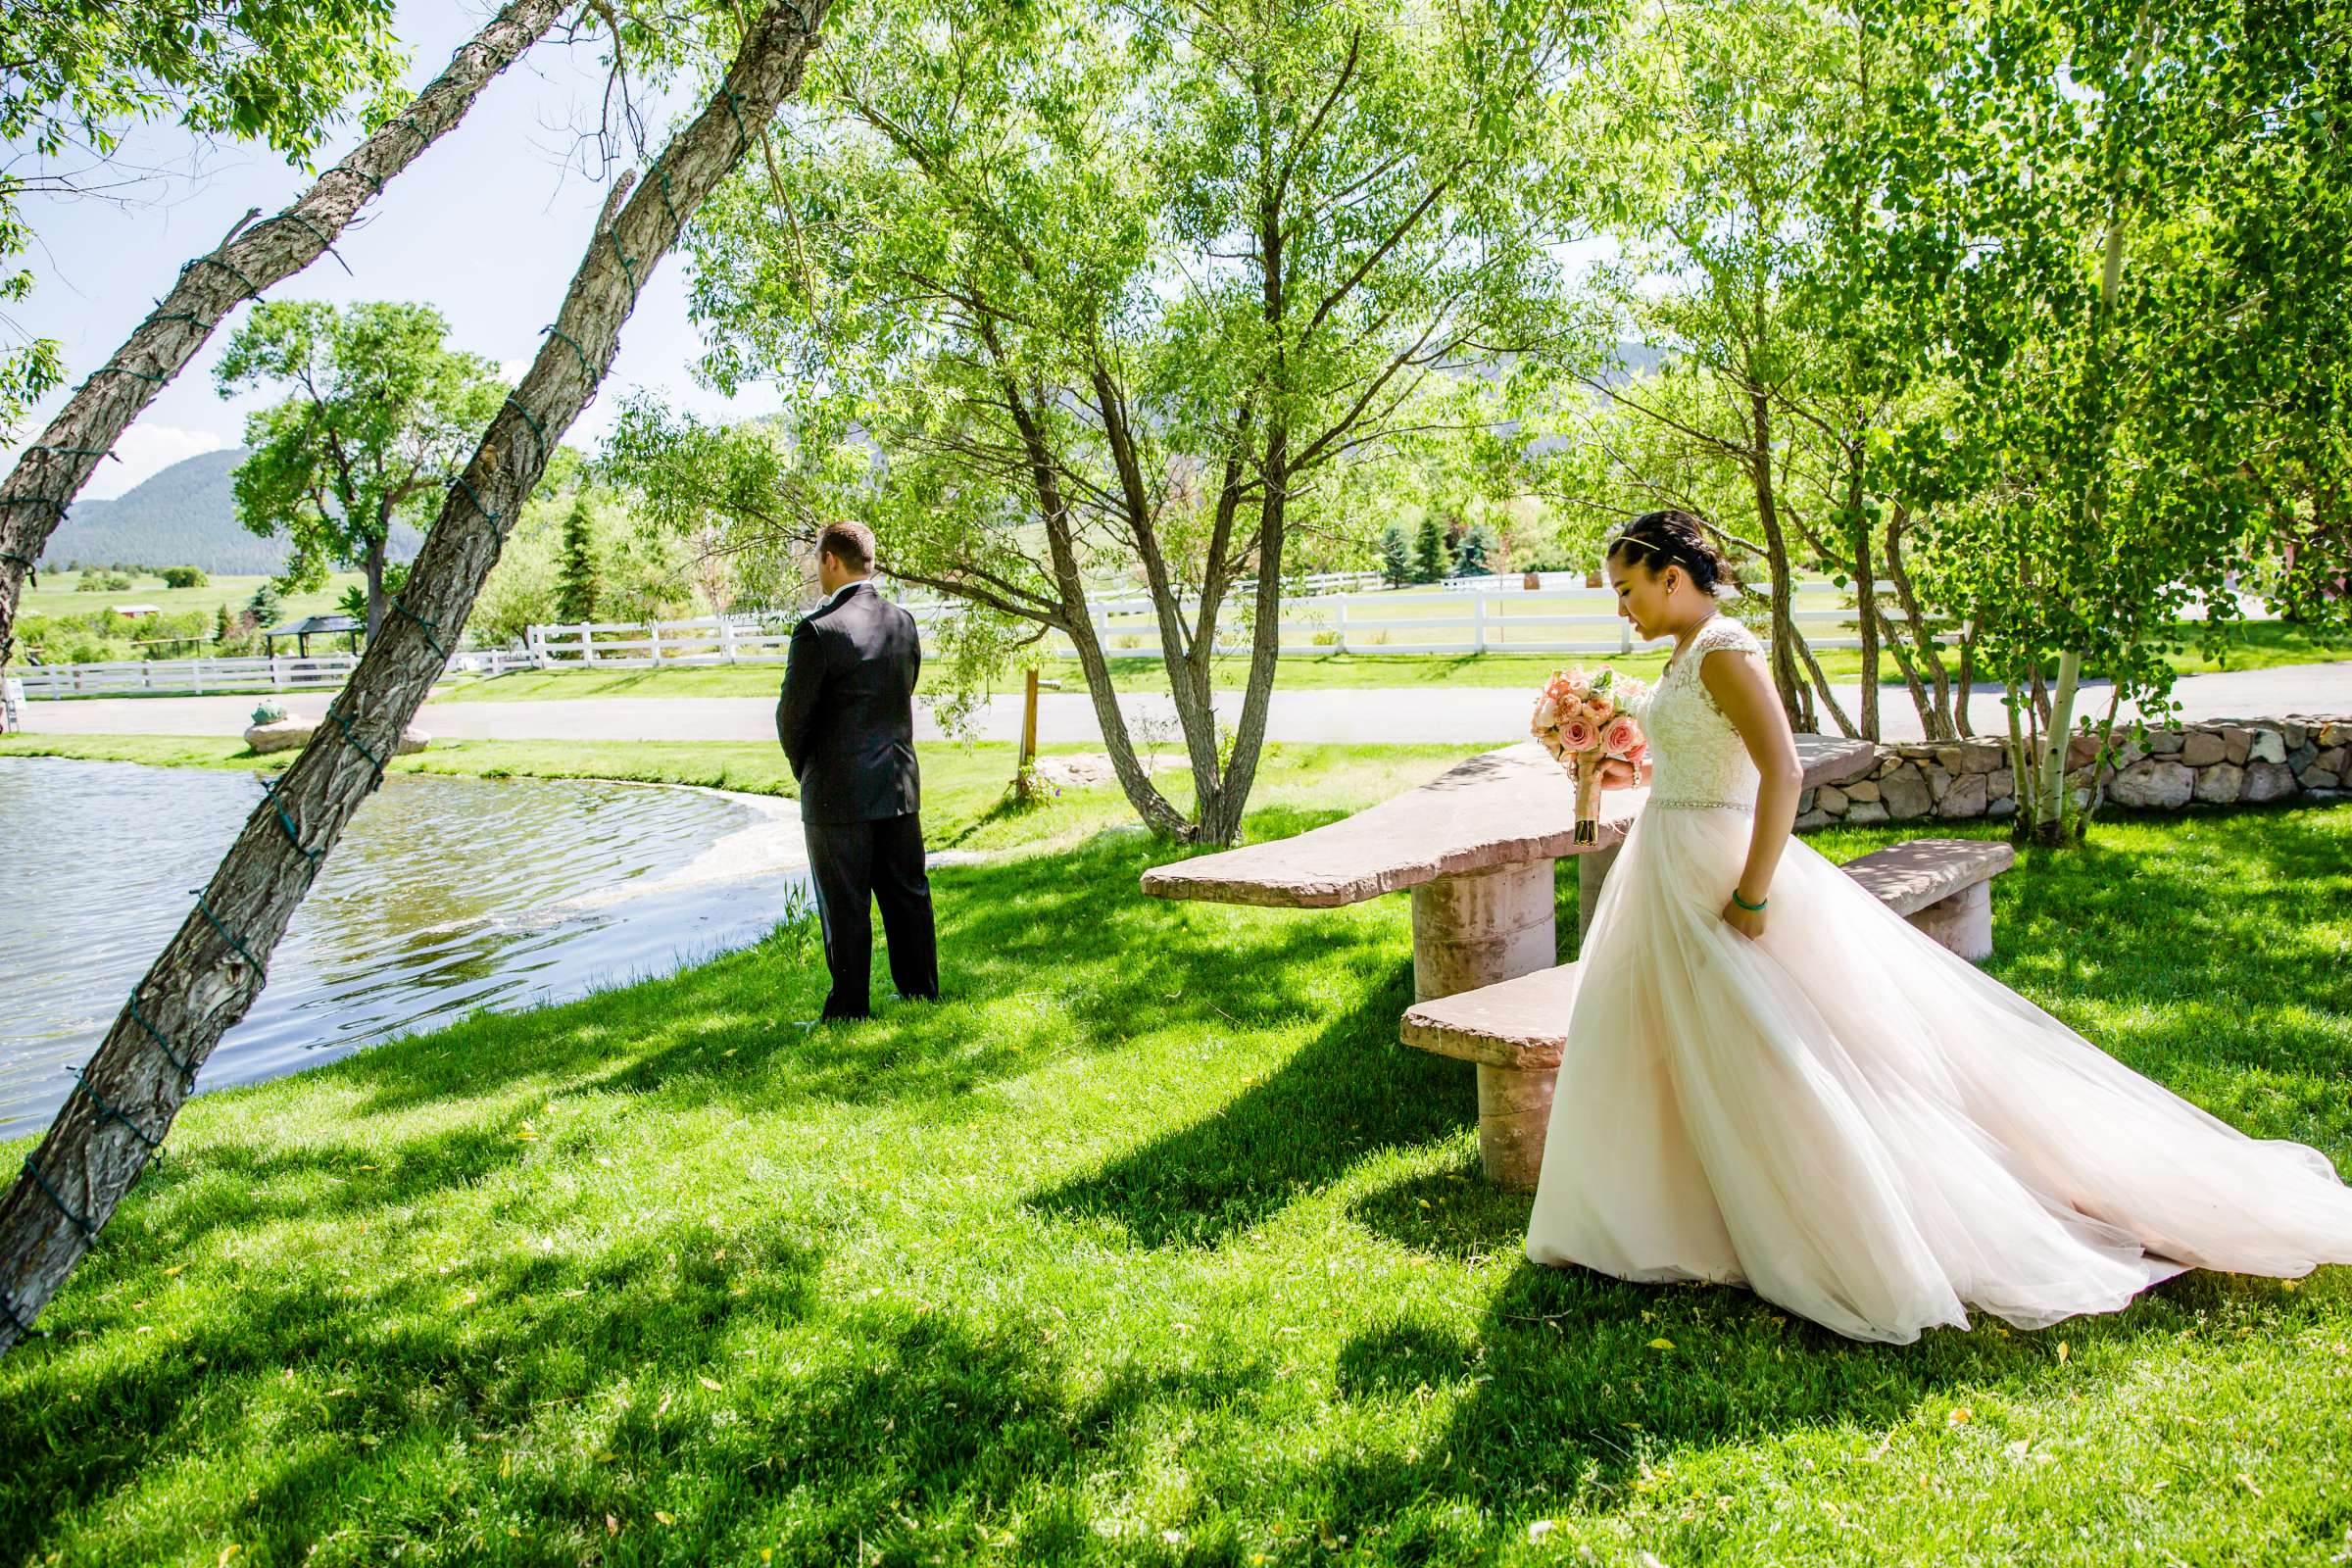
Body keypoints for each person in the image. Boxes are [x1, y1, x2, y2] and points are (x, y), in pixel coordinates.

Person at [1524, 509, 2352, 1343]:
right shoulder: (1681, 657)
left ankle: (1833, 1218)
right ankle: (1668, 1218)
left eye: (1629, 590)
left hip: (1719, 867)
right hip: (1671, 856)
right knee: (1671, 1040)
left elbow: (1782, 772)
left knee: (1771, 1047)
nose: (1623, 608)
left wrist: (1753, 892)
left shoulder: (1724, 650)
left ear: (1673, 577)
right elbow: (1706, 757)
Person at [775, 520, 940, 1021]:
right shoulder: (902, 622)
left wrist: (808, 769)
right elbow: (902, 689)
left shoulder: (818, 631)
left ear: (830, 560)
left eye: (815, 560)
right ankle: (921, 993)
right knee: (907, 892)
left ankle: (849, 1010)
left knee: (845, 904)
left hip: (837, 792)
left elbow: (791, 719)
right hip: (896, 782)